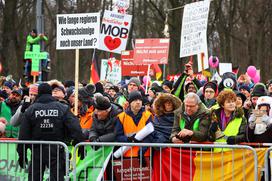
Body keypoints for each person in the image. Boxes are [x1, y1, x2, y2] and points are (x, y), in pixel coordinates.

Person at [17, 83, 85, 181]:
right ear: (50, 93)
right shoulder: (62, 108)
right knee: (57, 177)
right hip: (56, 149)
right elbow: (75, 127)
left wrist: (21, 153)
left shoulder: (31, 110)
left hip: (37, 149)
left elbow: (23, 134)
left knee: (34, 178)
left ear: (39, 93)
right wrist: (80, 143)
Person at [115, 91, 154, 158]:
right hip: (127, 154)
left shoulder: (148, 115)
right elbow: (118, 136)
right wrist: (128, 139)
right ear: (130, 103)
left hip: (145, 154)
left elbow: (151, 135)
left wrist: (142, 151)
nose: (138, 102)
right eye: (135, 100)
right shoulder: (121, 117)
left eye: (140, 100)